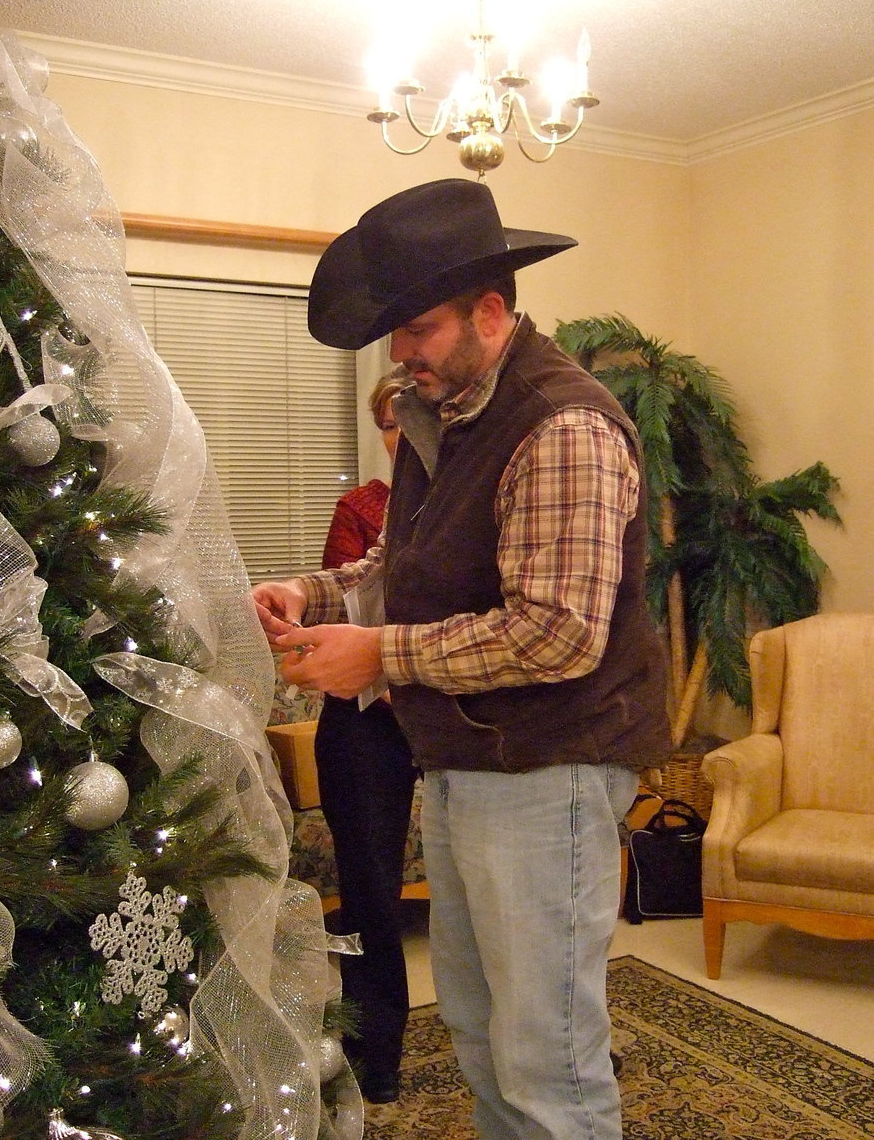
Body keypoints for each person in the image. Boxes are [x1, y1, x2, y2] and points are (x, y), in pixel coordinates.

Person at [253, 178, 672, 1140]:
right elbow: (409, 563)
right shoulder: (447, 412)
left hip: (549, 771)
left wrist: (379, 658)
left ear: (491, 311)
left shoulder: (561, 423)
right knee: (483, 1039)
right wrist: (308, 594)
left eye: (419, 330)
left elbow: (557, 631)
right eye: (394, 334)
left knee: (547, 1064)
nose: (402, 356)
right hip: (466, 761)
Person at [316, 368, 417, 1105]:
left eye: (410, 417)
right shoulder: (362, 508)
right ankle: (372, 1048)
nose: (400, 434)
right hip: (366, 721)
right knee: (369, 890)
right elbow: (346, 598)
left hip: (449, 714)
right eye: (387, 421)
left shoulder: (465, 498)